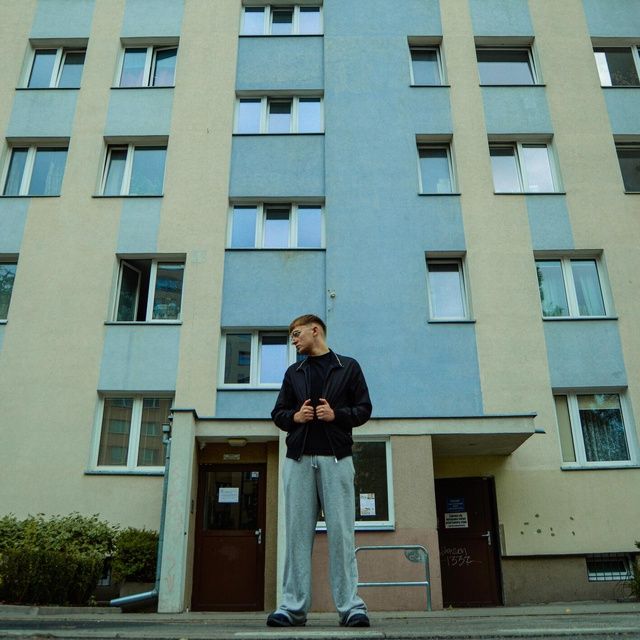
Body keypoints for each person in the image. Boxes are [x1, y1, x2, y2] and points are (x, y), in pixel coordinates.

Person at [267, 314, 372, 628]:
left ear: (315, 331)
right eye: (291, 336)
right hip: (298, 460)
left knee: (341, 534)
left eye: (296, 334)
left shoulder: (348, 367)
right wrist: (295, 418)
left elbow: (364, 409)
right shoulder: (293, 372)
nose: (293, 340)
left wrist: (336, 414)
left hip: (336, 459)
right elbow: (278, 412)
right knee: (297, 536)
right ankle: (292, 608)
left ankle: (351, 607)